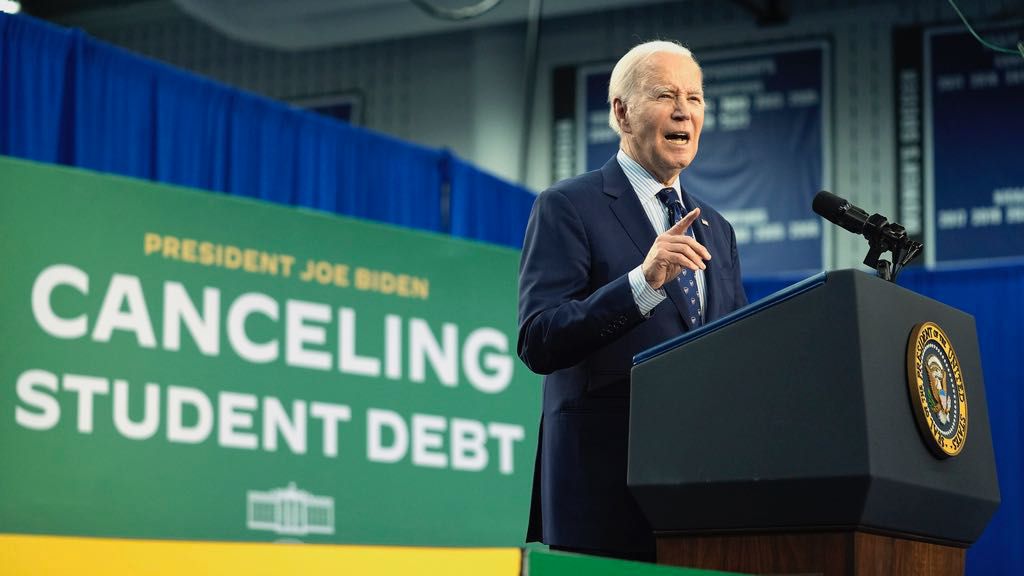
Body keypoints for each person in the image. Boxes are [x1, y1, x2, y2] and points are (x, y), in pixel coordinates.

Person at [517, 40, 748, 562]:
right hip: (602, 495)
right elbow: (539, 339)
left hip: (704, 495)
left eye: (695, 97)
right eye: (666, 94)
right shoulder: (568, 207)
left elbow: (736, 349)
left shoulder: (718, 230)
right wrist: (641, 283)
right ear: (621, 111)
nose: (685, 110)